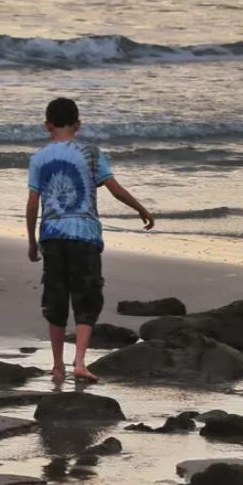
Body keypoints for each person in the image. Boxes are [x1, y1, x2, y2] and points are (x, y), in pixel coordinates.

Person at [26, 97, 155, 383]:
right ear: (78, 125)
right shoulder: (92, 153)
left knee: (55, 299)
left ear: (47, 126)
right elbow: (115, 189)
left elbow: (33, 203)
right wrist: (141, 209)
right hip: (85, 235)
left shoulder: (38, 158)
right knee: (87, 297)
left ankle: (57, 366)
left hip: (52, 235)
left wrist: (32, 240)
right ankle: (80, 362)